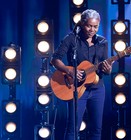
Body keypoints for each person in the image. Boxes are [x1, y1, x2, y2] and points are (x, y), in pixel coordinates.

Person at [51, 9, 113, 140]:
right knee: (73, 129)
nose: (92, 29)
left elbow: (105, 69)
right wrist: (70, 71)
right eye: (89, 25)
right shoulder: (71, 39)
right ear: (82, 23)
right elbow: (55, 60)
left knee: (96, 129)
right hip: (76, 89)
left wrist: (107, 69)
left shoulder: (102, 42)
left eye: (95, 26)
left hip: (97, 89)